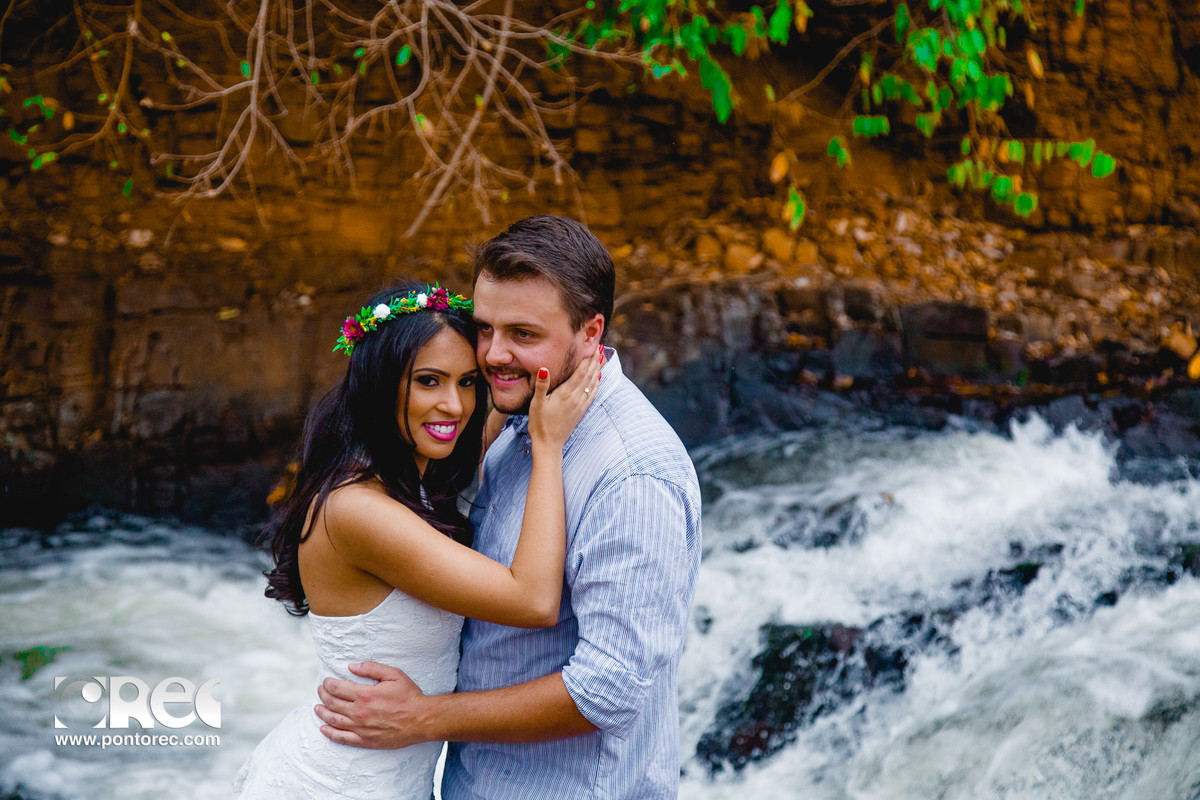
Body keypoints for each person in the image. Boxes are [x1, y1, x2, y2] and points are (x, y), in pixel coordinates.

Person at [315, 216, 704, 799]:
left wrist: (425, 717)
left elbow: (610, 689)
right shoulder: (520, 417)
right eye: (485, 328)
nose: (494, 355)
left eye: (523, 334)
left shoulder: (631, 475)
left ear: (590, 332)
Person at [233, 280, 601, 799]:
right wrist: (547, 444)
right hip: (335, 786)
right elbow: (533, 600)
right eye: (428, 381)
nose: (453, 405)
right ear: (382, 386)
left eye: (468, 382)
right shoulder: (357, 509)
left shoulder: (409, 483)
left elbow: (490, 410)